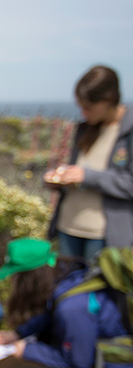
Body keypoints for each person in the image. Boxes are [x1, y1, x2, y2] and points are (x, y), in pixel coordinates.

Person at [0, 238, 133, 368]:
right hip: (107, 352)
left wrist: (27, 350)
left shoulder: (73, 308)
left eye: (16, 276)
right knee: (50, 336)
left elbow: (78, 361)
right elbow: (50, 312)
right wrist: (19, 334)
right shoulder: (69, 272)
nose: (12, 281)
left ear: (30, 277)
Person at [47, 65, 133, 260]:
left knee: (101, 291)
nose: (83, 113)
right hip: (68, 228)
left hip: (103, 235)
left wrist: (87, 176)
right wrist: (58, 179)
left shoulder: (128, 130)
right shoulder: (86, 129)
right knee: (68, 289)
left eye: (89, 107)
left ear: (109, 100)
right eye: (80, 106)